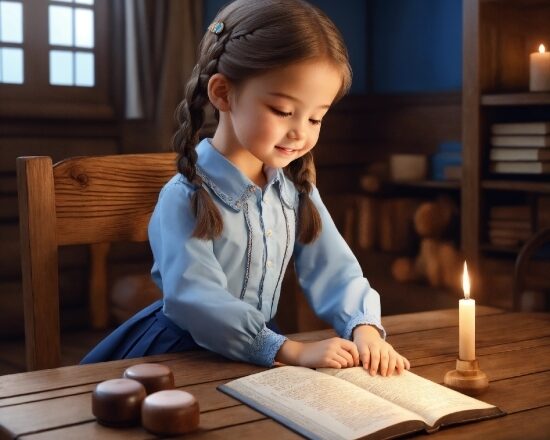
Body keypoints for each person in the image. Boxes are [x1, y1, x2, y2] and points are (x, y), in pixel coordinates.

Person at [82, 0, 410, 377]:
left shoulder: (296, 191)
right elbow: (197, 301)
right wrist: (293, 350)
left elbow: (335, 269)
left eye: (316, 117)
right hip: (178, 357)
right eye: (283, 111)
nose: (300, 132)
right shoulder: (184, 196)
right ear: (222, 93)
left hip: (255, 356)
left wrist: (364, 328)